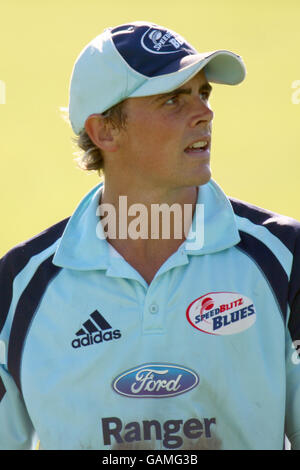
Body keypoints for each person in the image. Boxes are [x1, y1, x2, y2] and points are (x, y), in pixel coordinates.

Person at [0, 20, 299, 451]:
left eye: (203, 93)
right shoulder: (19, 286)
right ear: (105, 131)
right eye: (173, 100)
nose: (205, 113)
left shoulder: (287, 258)